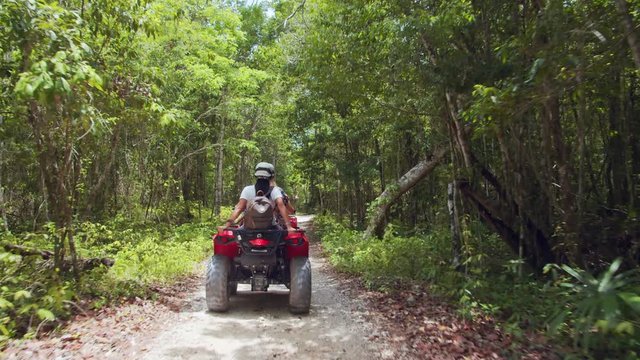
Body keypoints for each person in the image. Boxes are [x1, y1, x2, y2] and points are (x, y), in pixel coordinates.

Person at [222, 162, 295, 232]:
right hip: (270, 227)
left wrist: (226, 225)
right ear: (272, 176)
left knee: (237, 241)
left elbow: (239, 208)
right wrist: (289, 227)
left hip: (249, 228)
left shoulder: (247, 189)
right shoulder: (275, 190)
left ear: (256, 175)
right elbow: (281, 206)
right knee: (283, 239)